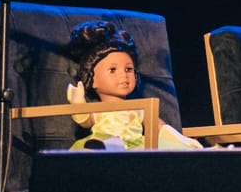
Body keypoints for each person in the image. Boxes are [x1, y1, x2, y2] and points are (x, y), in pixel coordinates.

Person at [62, 20, 204, 151]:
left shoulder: (139, 108)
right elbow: (86, 120)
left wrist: (182, 140)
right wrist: (78, 105)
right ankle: (102, 149)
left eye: (128, 69)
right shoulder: (100, 109)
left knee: (164, 148)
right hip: (104, 141)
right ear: (92, 80)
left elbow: (159, 127)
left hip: (136, 146)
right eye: (112, 70)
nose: (124, 75)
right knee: (106, 145)